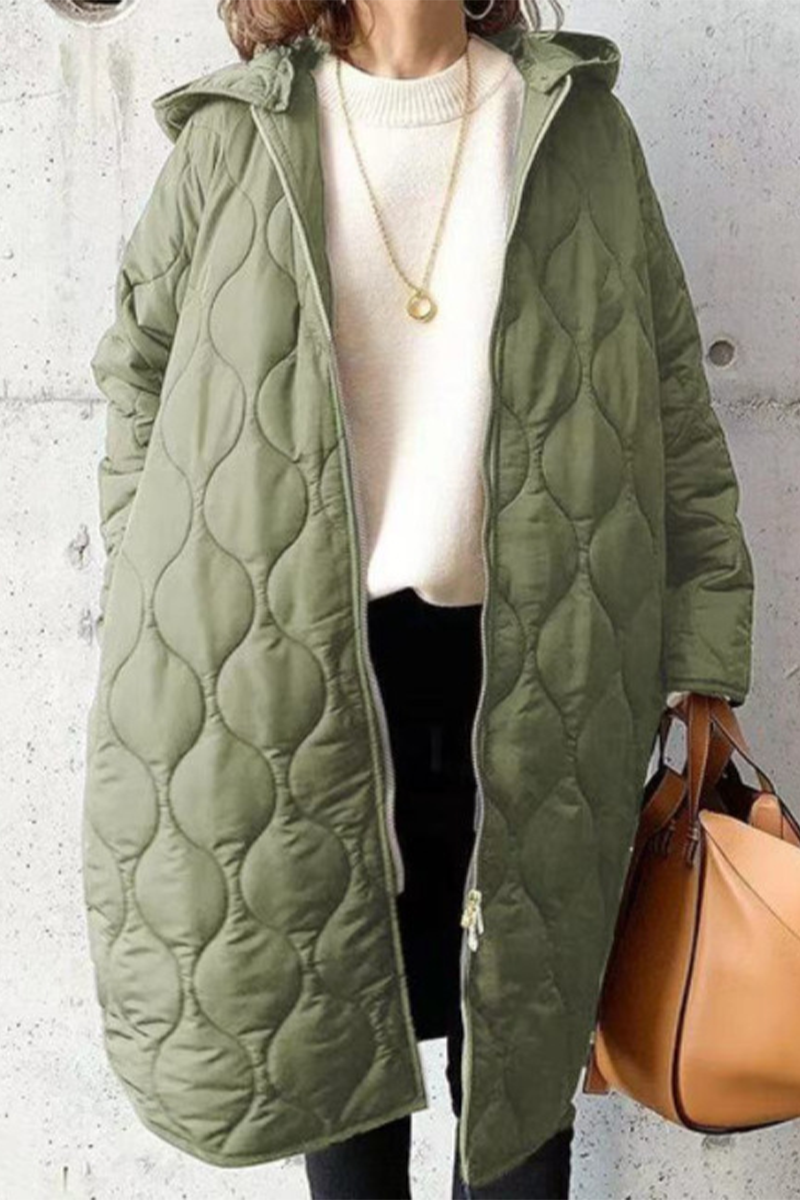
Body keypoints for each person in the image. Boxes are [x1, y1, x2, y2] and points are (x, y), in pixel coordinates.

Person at [81, 0, 754, 1196]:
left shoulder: (573, 127)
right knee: (334, 1054)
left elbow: (669, 400)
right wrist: (154, 600)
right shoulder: (237, 137)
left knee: (522, 1068)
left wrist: (702, 647)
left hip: (542, 663)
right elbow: (140, 377)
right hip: (295, 678)